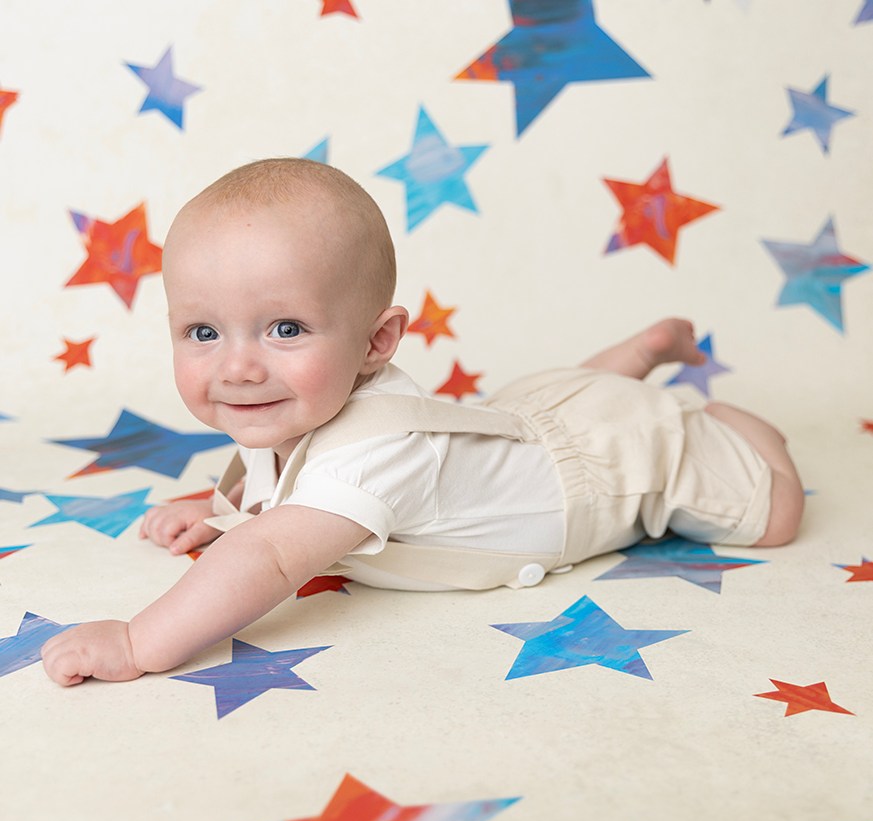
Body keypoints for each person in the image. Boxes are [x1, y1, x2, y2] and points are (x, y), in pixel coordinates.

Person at [40, 158, 804, 687]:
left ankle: (725, 420)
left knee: (771, 514)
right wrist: (219, 507)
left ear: (377, 341)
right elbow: (280, 485)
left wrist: (141, 641)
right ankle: (633, 355)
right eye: (203, 333)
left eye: (283, 330)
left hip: (610, 467)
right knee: (553, 401)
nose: (236, 367)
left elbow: (271, 556)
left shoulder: (376, 450)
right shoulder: (296, 403)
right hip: (523, 420)